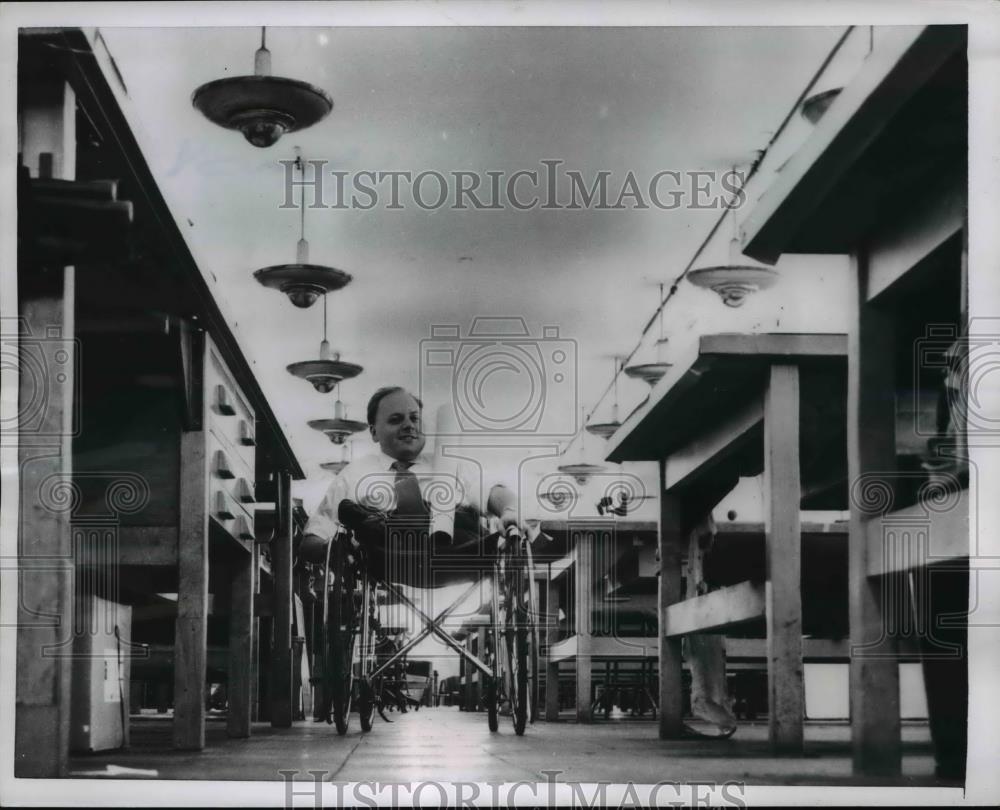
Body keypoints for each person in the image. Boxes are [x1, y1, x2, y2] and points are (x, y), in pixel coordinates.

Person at [300, 386, 520, 573]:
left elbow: (493, 492)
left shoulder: (452, 464)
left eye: (415, 418)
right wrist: (333, 551)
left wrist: (510, 511)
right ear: (374, 432)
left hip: (458, 552)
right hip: (386, 558)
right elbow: (314, 536)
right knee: (360, 518)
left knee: (464, 518)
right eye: (396, 420)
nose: (409, 425)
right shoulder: (355, 474)